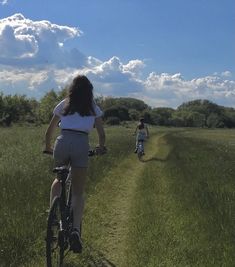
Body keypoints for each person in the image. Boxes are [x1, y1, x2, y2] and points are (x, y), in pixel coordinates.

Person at [44, 75, 106, 253]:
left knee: (58, 179)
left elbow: (50, 130)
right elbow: (101, 134)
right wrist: (101, 147)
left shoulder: (64, 103)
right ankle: (76, 231)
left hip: (62, 142)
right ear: (89, 91)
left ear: (72, 88)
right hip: (81, 144)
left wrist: (48, 147)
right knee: (78, 192)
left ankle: (53, 215)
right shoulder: (93, 107)